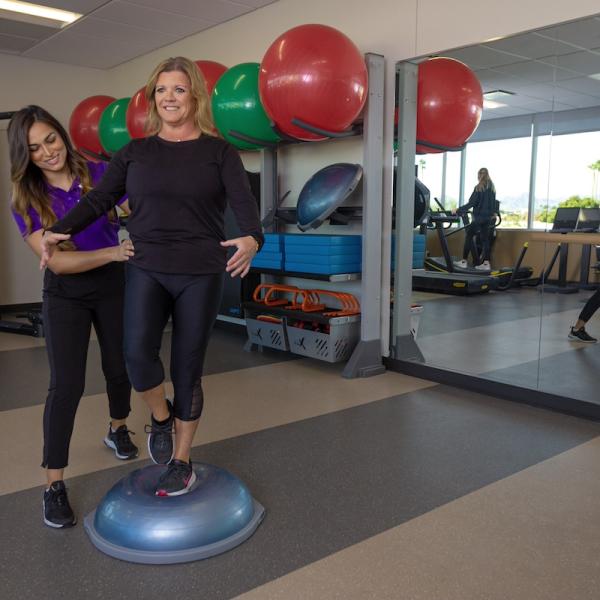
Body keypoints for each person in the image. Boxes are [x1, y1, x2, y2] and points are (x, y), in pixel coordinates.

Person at [40, 56, 264, 497]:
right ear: (152, 97)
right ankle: (160, 418)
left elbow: (244, 205)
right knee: (137, 357)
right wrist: (60, 230)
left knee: (187, 368)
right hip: (147, 267)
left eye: (178, 89)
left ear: (194, 95)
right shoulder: (135, 153)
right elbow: (101, 198)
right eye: (162, 90)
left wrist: (253, 239)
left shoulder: (219, 153)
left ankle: (181, 459)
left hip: (200, 272)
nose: (169, 98)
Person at [8, 106, 138, 529]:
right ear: (24, 156)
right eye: (34, 148)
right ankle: (53, 485)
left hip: (112, 287)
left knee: (120, 368)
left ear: (62, 135)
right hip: (66, 294)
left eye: (51, 139)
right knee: (66, 386)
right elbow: (58, 264)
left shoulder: (98, 172)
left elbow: (135, 203)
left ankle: (117, 427)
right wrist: (114, 252)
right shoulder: (26, 198)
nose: (47, 152)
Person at [454, 167, 497, 270]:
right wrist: (494, 213)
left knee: (469, 236)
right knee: (485, 239)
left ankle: (463, 261)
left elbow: (472, 203)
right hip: (488, 219)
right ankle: (486, 264)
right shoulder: (492, 188)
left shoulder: (478, 187)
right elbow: (493, 204)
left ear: (479, 175)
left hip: (479, 218)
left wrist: (458, 209)